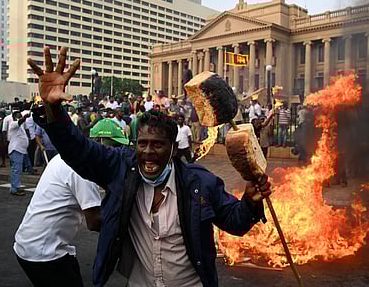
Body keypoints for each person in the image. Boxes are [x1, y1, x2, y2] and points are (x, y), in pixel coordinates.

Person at [28, 46, 272, 287]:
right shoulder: (121, 168)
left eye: (157, 145)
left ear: (173, 150)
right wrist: (54, 110)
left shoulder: (200, 183)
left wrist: (250, 201)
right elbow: (78, 150)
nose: (148, 152)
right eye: (142, 143)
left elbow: (235, 222)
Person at [13, 154, 101, 287]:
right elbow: (94, 222)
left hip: (27, 244)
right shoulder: (83, 169)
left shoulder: (64, 156)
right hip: (44, 253)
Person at [8, 110, 30, 196]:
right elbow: (20, 121)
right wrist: (24, 118)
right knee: (16, 170)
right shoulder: (13, 124)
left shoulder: (21, 127)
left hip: (20, 150)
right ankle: (15, 188)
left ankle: (15, 187)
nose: (20, 117)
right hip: (16, 150)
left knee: (17, 170)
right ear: (14, 117)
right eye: (18, 116)